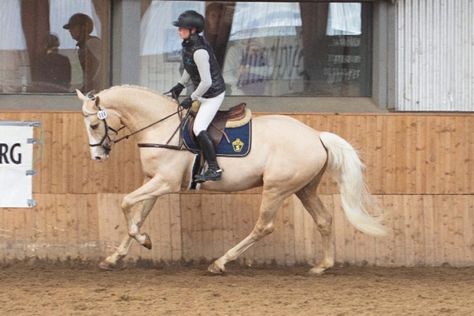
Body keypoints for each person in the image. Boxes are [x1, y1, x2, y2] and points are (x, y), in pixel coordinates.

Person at [168, 10, 225, 182]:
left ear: (192, 30)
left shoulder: (200, 51)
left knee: (198, 127)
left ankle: (214, 169)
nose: (179, 31)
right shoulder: (189, 45)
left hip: (213, 94)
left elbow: (206, 82)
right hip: (203, 92)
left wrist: (192, 97)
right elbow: (189, 67)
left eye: (182, 29)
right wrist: (180, 85)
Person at [63, 13, 102, 92]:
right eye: (70, 28)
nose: (70, 31)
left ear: (84, 27)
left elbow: (104, 65)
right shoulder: (82, 46)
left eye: (74, 27)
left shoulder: (92, 42)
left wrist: (93, 83)